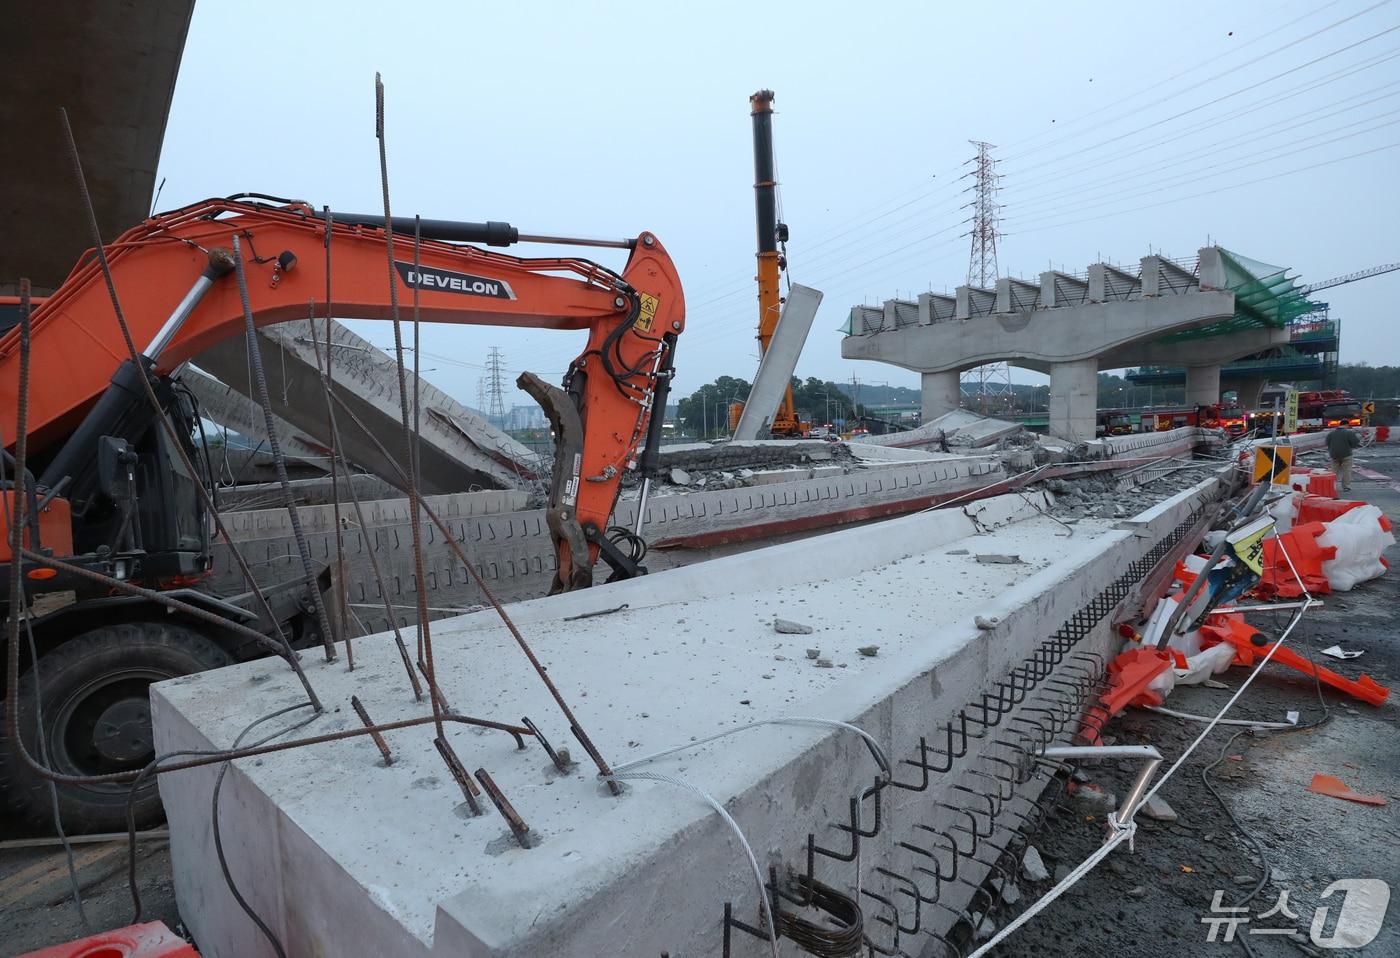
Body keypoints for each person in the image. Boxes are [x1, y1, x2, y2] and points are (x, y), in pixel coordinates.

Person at [1326, 425, 1361, 492]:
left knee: (1334, 471)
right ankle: (1346, 486)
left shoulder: (1331, 433)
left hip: (1334, 455)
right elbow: (1355, 442)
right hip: (1346, 454)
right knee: (1347, 470)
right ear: (1346, 426)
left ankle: (1332, 486)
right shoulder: (1349, 433)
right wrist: (1352, 446)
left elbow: (1327, 443)